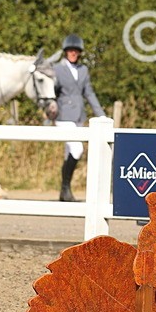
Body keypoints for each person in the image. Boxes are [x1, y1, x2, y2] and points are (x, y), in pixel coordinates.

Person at [54, 34, 105, 202]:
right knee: (77, 149)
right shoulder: (57, 69)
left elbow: (89, 93)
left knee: (69, 152)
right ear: (66, 51)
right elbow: (51, 91)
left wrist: (101, 115)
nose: (73, 53)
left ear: (80, 52)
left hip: (79, 117)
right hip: (63, 117)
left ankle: (64, 192)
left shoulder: (83, 70)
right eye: (70, 50)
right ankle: (65, 188)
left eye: (76, 50)